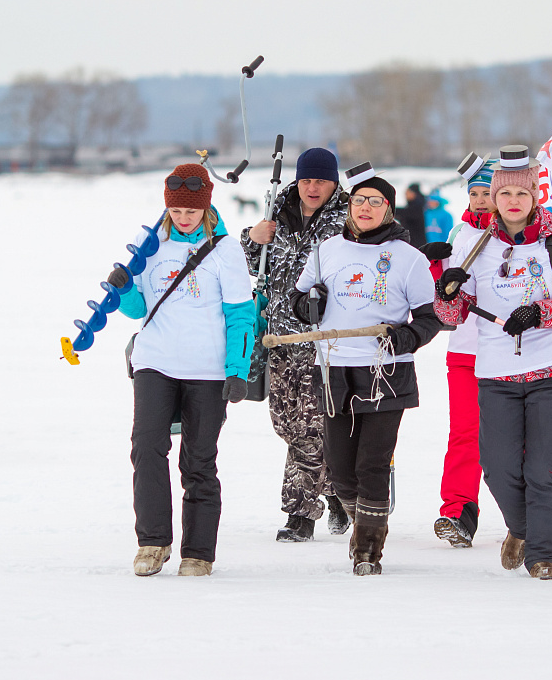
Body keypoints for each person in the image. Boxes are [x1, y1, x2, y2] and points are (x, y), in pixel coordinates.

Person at [433, 147, 552, 580]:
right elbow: (453, 317)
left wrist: (543, 313)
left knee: (542, 468)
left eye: (520, 194)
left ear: (533, 198)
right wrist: (447, 293)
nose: (511, 201)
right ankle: (523, 528)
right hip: (495, 374)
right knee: (499, 468)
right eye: (502, 192)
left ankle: (543, 556)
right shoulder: (476, 243)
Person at [293, 165, 442, 575]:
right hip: (334, 369)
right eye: (359, 200)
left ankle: (368, 549)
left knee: (372, 464)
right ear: (349, 205)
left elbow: (429, 318)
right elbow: (298, 301)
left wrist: (405, 338)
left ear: (388, 210)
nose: (365, 208)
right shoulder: (325, 250)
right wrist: (309, 306)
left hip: (385, 373)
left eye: (375, 202)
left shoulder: (408, 259)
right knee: (340, 470)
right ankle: (363, 518)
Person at [109, 163, 255, 576]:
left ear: (205, 204)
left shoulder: (225, 250)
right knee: (146, 448)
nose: (183, 216)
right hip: (155, 361)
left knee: (198, 460)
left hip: (207, 369)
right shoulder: (147, 244)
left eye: (191, 209)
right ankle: (152, 542)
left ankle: (198, 552)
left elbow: (241, 316)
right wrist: (122, 289)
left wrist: (237, 369)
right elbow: (140, 309)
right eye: (176, 209)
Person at [240, 147, 351, 542]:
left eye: (320, 180)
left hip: (325, 341)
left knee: (311, 427)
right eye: (306, 179)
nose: (312, 187)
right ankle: (339, 490)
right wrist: (253, 238)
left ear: (334, 182)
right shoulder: (277, 215)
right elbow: (242, 265)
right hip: (279, 339)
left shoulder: (348, 219)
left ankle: (300, 514)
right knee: (287, 425)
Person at [420, 160, 496, 547]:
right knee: (464, 434)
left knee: (514, 440)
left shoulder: (520, 236)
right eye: (475, 194)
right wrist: (434, 263)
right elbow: (441, 298)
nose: (481, 201)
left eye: (488, 193)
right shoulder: (460, 231)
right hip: (466, 350)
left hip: (515, 356)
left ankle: (530, 512)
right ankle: (458, 511)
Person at [397, 182, 428, 247]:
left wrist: (389, 209)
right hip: (413, 242)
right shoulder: (414, 205)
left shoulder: (419, 207)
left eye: (407, 193)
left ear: (413, 193)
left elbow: (406, 213)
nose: (405, 195)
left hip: (417, 244)